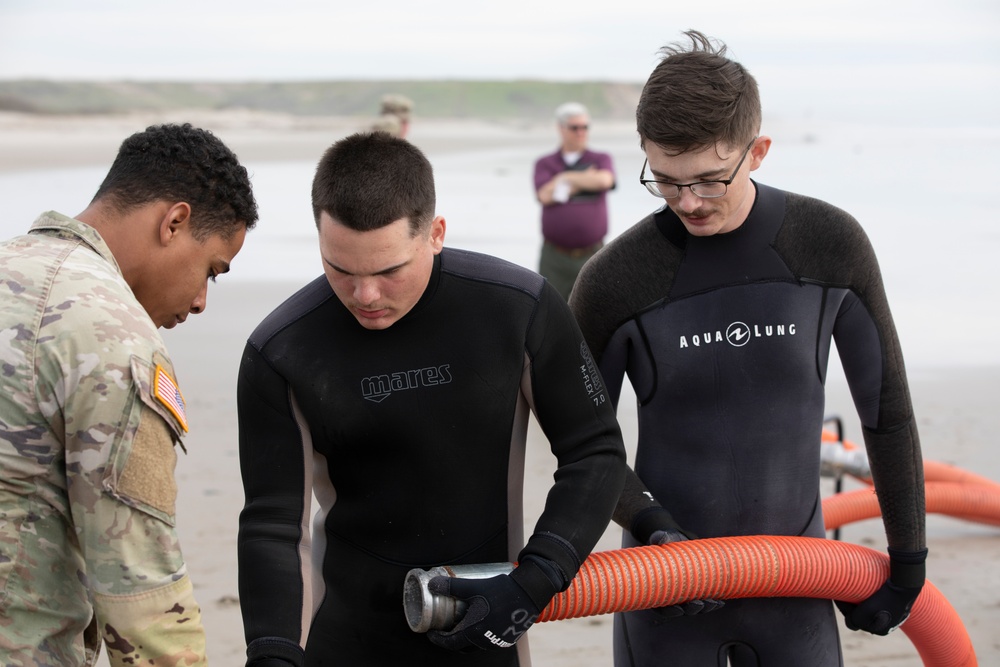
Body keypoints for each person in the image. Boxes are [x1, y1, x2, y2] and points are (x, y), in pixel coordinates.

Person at [570, 30, 927, 666]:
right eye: (667, 181)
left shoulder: (828, 243)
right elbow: (580, 438)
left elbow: (887, 412)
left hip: (796, 584)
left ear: (757, 150)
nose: (689, 203)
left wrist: (908, 562)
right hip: (667, 586)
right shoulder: (617, 278)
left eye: (710, 180)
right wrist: (651, 526)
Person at [236, 131, 627, 667]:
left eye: (388, 270)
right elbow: (272, 526)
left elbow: (595, 452)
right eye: (340, 270)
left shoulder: (519, 310)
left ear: (436, 233)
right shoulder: (281, 350)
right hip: (347, 637)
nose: (365, 296)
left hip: (491, 621)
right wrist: (274, 656)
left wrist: (537, 579)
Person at [0, 123, 258, 666]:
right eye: (211, 269)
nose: (201, 301)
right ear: (175, 222)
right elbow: (140, 590)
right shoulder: (114, 340)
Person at [533, 101, 615, 300]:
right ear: (561, 129)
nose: (581, 132)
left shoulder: (600, 158)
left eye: (585, 127)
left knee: (597, 306)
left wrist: (564, 178)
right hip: (555, 257)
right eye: (574, 128)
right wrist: (585, 180)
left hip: (593, 253)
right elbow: (545, 195)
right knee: (550, 308)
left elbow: (604, 180)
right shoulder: (545, 163)